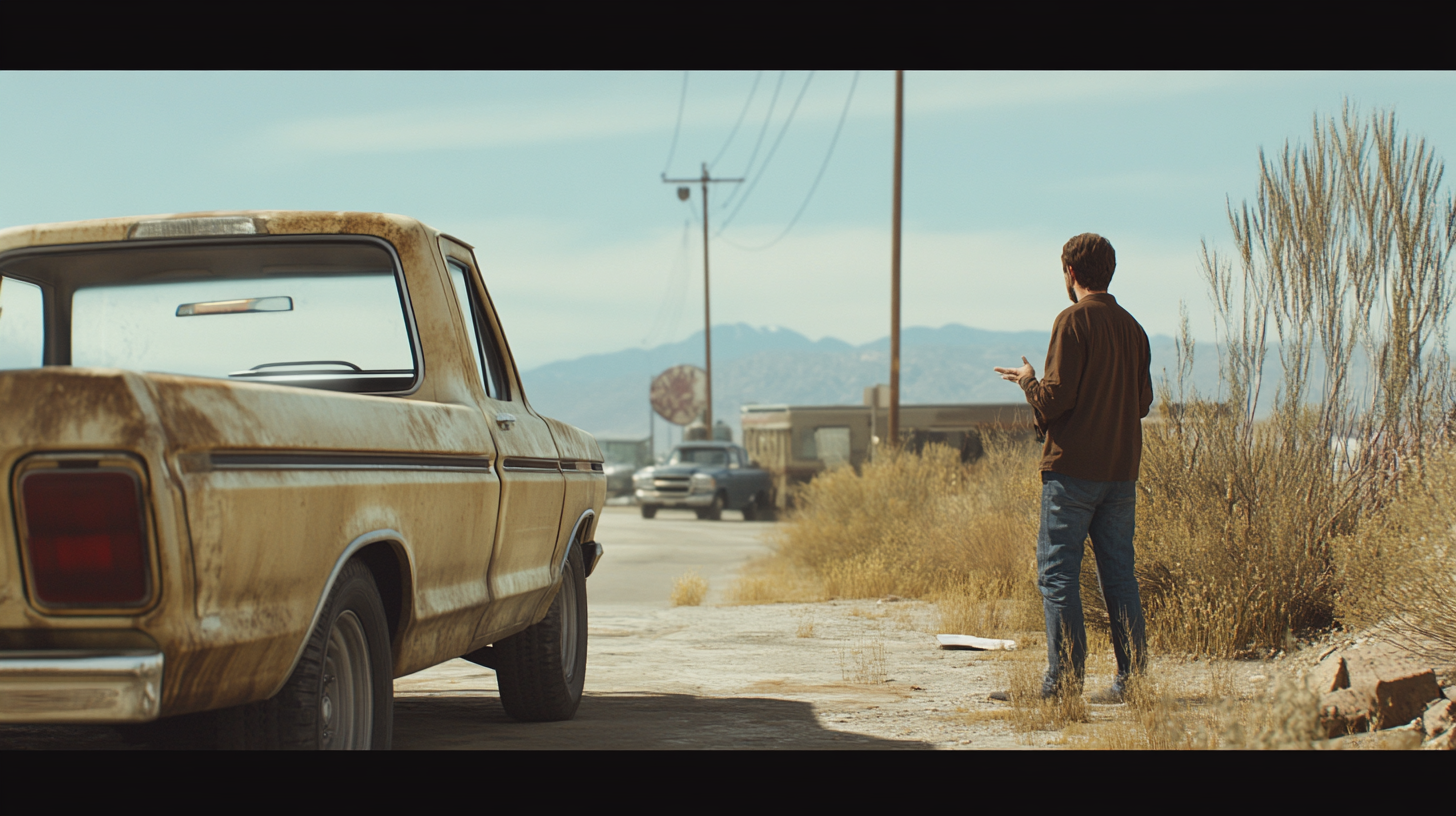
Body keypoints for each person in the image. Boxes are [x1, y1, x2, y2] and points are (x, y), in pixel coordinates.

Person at [991, 233, 1153, 704]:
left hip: (1073, 471)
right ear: (1109, 271)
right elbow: (1142, 402)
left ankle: (1063, 684)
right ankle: (1131, 681)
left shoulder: (1072, 321)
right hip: (1121, 471)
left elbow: (1056, 398)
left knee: (1058, 574)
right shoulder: (1134, 329)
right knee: (1119, 574)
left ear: (1070, 273)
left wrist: (1028, 383)